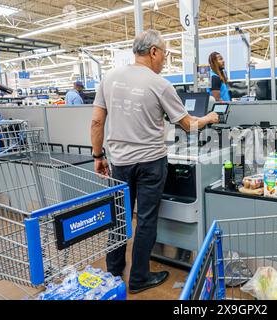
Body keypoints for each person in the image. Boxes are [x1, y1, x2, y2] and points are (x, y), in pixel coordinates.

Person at [90, 29, 219, 294]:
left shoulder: (110, 78)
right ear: (153, 52)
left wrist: (98, 156)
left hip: (119, 163)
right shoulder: (160, 84)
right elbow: (189, 125)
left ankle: (113, 273)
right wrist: (210, 118)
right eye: (165, 54)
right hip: (150, 162)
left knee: (119, 217)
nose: (164, 60)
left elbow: (96, 121)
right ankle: (138, 278)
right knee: (147, 220)